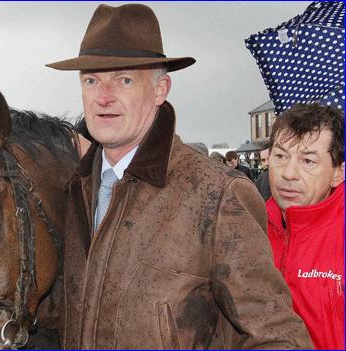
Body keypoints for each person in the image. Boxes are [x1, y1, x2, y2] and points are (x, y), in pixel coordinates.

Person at [47, 4, 312, 349]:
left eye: (124, 79)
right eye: (92, 80)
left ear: (160, 90)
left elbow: (277, 336)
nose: (104, 96)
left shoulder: (216, 195)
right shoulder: (72, 192)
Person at [266, 103, 344, 350]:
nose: (289, 173)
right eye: (280, 156)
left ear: (338, 173)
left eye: (308, 160)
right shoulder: (248, 228)